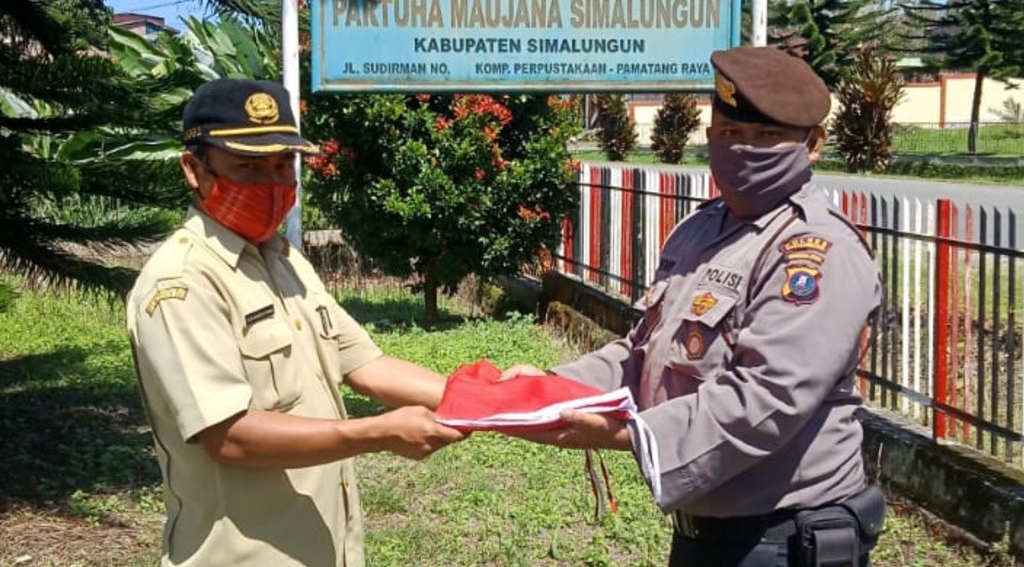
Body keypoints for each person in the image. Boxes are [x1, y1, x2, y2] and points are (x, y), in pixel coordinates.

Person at [501, 46, 886, 567]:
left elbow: (769, 398)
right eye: (730, 135)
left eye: (768, 137)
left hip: (785, 538)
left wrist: (629, 436)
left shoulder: (815, 251)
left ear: (812, 144)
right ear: (710, 139)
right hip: (709, 534)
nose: (745, 151)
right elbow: (644, 353)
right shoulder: (700, 231)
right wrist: (552, 386)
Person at [126, 78, 465, 567]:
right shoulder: (181, 284)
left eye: (283, 164)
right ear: (194, 169)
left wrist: (491, 399)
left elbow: (365, 364)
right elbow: (230, 435)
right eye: (247, 166)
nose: (271, 184)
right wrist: (379, 434)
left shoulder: (284, 260)